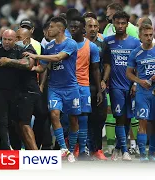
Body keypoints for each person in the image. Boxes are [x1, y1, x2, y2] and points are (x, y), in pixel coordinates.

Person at [24, 16, 81, 162]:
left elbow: (58, 58)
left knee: (73, 119)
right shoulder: (48, 47)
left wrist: (35, 55)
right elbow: (42, 67)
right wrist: (27, 67)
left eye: (51, 27)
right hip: (55, 88)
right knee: (54, 114)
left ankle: (72, 149)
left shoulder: (71, 44)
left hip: (71, 87)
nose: (48, 30)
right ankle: (64, 149)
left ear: (61, 29)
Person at [0, 28, 46, 150]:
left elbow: (28, 64)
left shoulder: (28, 50)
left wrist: (8, 61)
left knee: (24, 124)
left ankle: (35, 155)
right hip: (23, 92)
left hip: (28, 91)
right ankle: (27, 151)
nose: (16, 40)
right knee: (18, 123)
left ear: (27, 39)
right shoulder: (16, 50)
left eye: (18, 38)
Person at [103, 11, 140, 161]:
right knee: (119, 117)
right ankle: (125, 151)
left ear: (127, 24)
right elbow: (106, 64)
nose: (120, 26)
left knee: (128, 118)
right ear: (113, 24)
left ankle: (118, 148)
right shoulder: (108, 42)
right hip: (115, 86)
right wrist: (104, 81)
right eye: (117, 23)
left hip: (131, 85)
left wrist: (136, 83)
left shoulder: (135, 42)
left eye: (123, 23)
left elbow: (138, 65)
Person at [69, 16, 102, 160]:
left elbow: (95, 69)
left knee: (83, 118)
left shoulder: (92, 47)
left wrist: (100, 90)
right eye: (71, 27)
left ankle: (82, 151)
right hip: (68, 86)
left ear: (83, 29)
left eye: (76, 27)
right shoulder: (66, 44)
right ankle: (70, 150)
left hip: (83, 86)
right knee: (69, 119)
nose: (73, 29)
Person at [126, 23, 155, 162]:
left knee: (154, 123)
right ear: (140, 36)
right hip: (142, 93)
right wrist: (139, 81)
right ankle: (143, 154)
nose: (149, 38)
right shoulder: (135, 53)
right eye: (146, 35)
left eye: (151, 35)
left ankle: (152, 154)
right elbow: (128, 73)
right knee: (142, 121)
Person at [85, 17, 109, 160]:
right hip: (83, 85)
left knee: (100, 117)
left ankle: (98, 149)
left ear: (98, 28)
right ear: (85, 28)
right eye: (90, 26)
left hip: (98, 86)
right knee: (84, 118)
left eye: (95, 26)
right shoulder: (79, 44)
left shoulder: (103, 44)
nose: (93, 28)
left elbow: (107, 64)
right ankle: (85, 148)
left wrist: (104, 80)